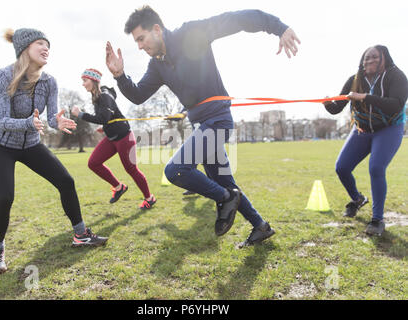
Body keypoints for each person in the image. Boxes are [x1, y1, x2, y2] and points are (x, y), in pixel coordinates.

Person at [105, 6, 301, 247]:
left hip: (218, 120)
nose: (140, 46)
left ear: (157, 29)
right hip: (202, 124)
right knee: (225, 182)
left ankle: (226, 199)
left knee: (175, 170)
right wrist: (120, 76)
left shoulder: (191, 33)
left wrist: (279, 27)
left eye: (141, 39)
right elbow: (137, 95)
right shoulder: (158, 65)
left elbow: (236, 19)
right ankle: (260, 226)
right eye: (136, 42)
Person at [0, 28, 107, 275]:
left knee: (66, 181)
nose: (46, 48)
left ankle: (81, 235)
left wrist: (57, 122)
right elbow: (2, 120)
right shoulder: (3, 76)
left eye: (47, 44)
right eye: (40, 43)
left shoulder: (50, 82)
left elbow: (50, 117)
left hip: (29, 144)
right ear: (24, 49)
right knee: (4, 197)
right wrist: (30, 122)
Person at [323, 45, 407, 236]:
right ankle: (358, 199)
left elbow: (396, 104)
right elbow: (337, 108)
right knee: (341, 167)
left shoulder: (396, 76)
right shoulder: (355, 80)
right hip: (362, 129)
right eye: (366, 58)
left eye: (374, 57)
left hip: (388, 129)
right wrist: (328, 103)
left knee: (376, 168)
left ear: (384, 58)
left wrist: (365, 97)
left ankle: (377, 220)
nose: (369, 61)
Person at [71, 68, 156, 209]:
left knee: (131, 169)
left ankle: (149, 198)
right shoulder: (97, 97)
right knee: (93, 163)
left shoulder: (104, 96)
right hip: (112, 138)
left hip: (124, 137)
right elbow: (107, 118)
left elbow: (103, 118)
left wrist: (80, 114)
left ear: (93, 81)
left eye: (85, 81)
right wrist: (104, 127)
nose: (83, 84)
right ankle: (119, 187)